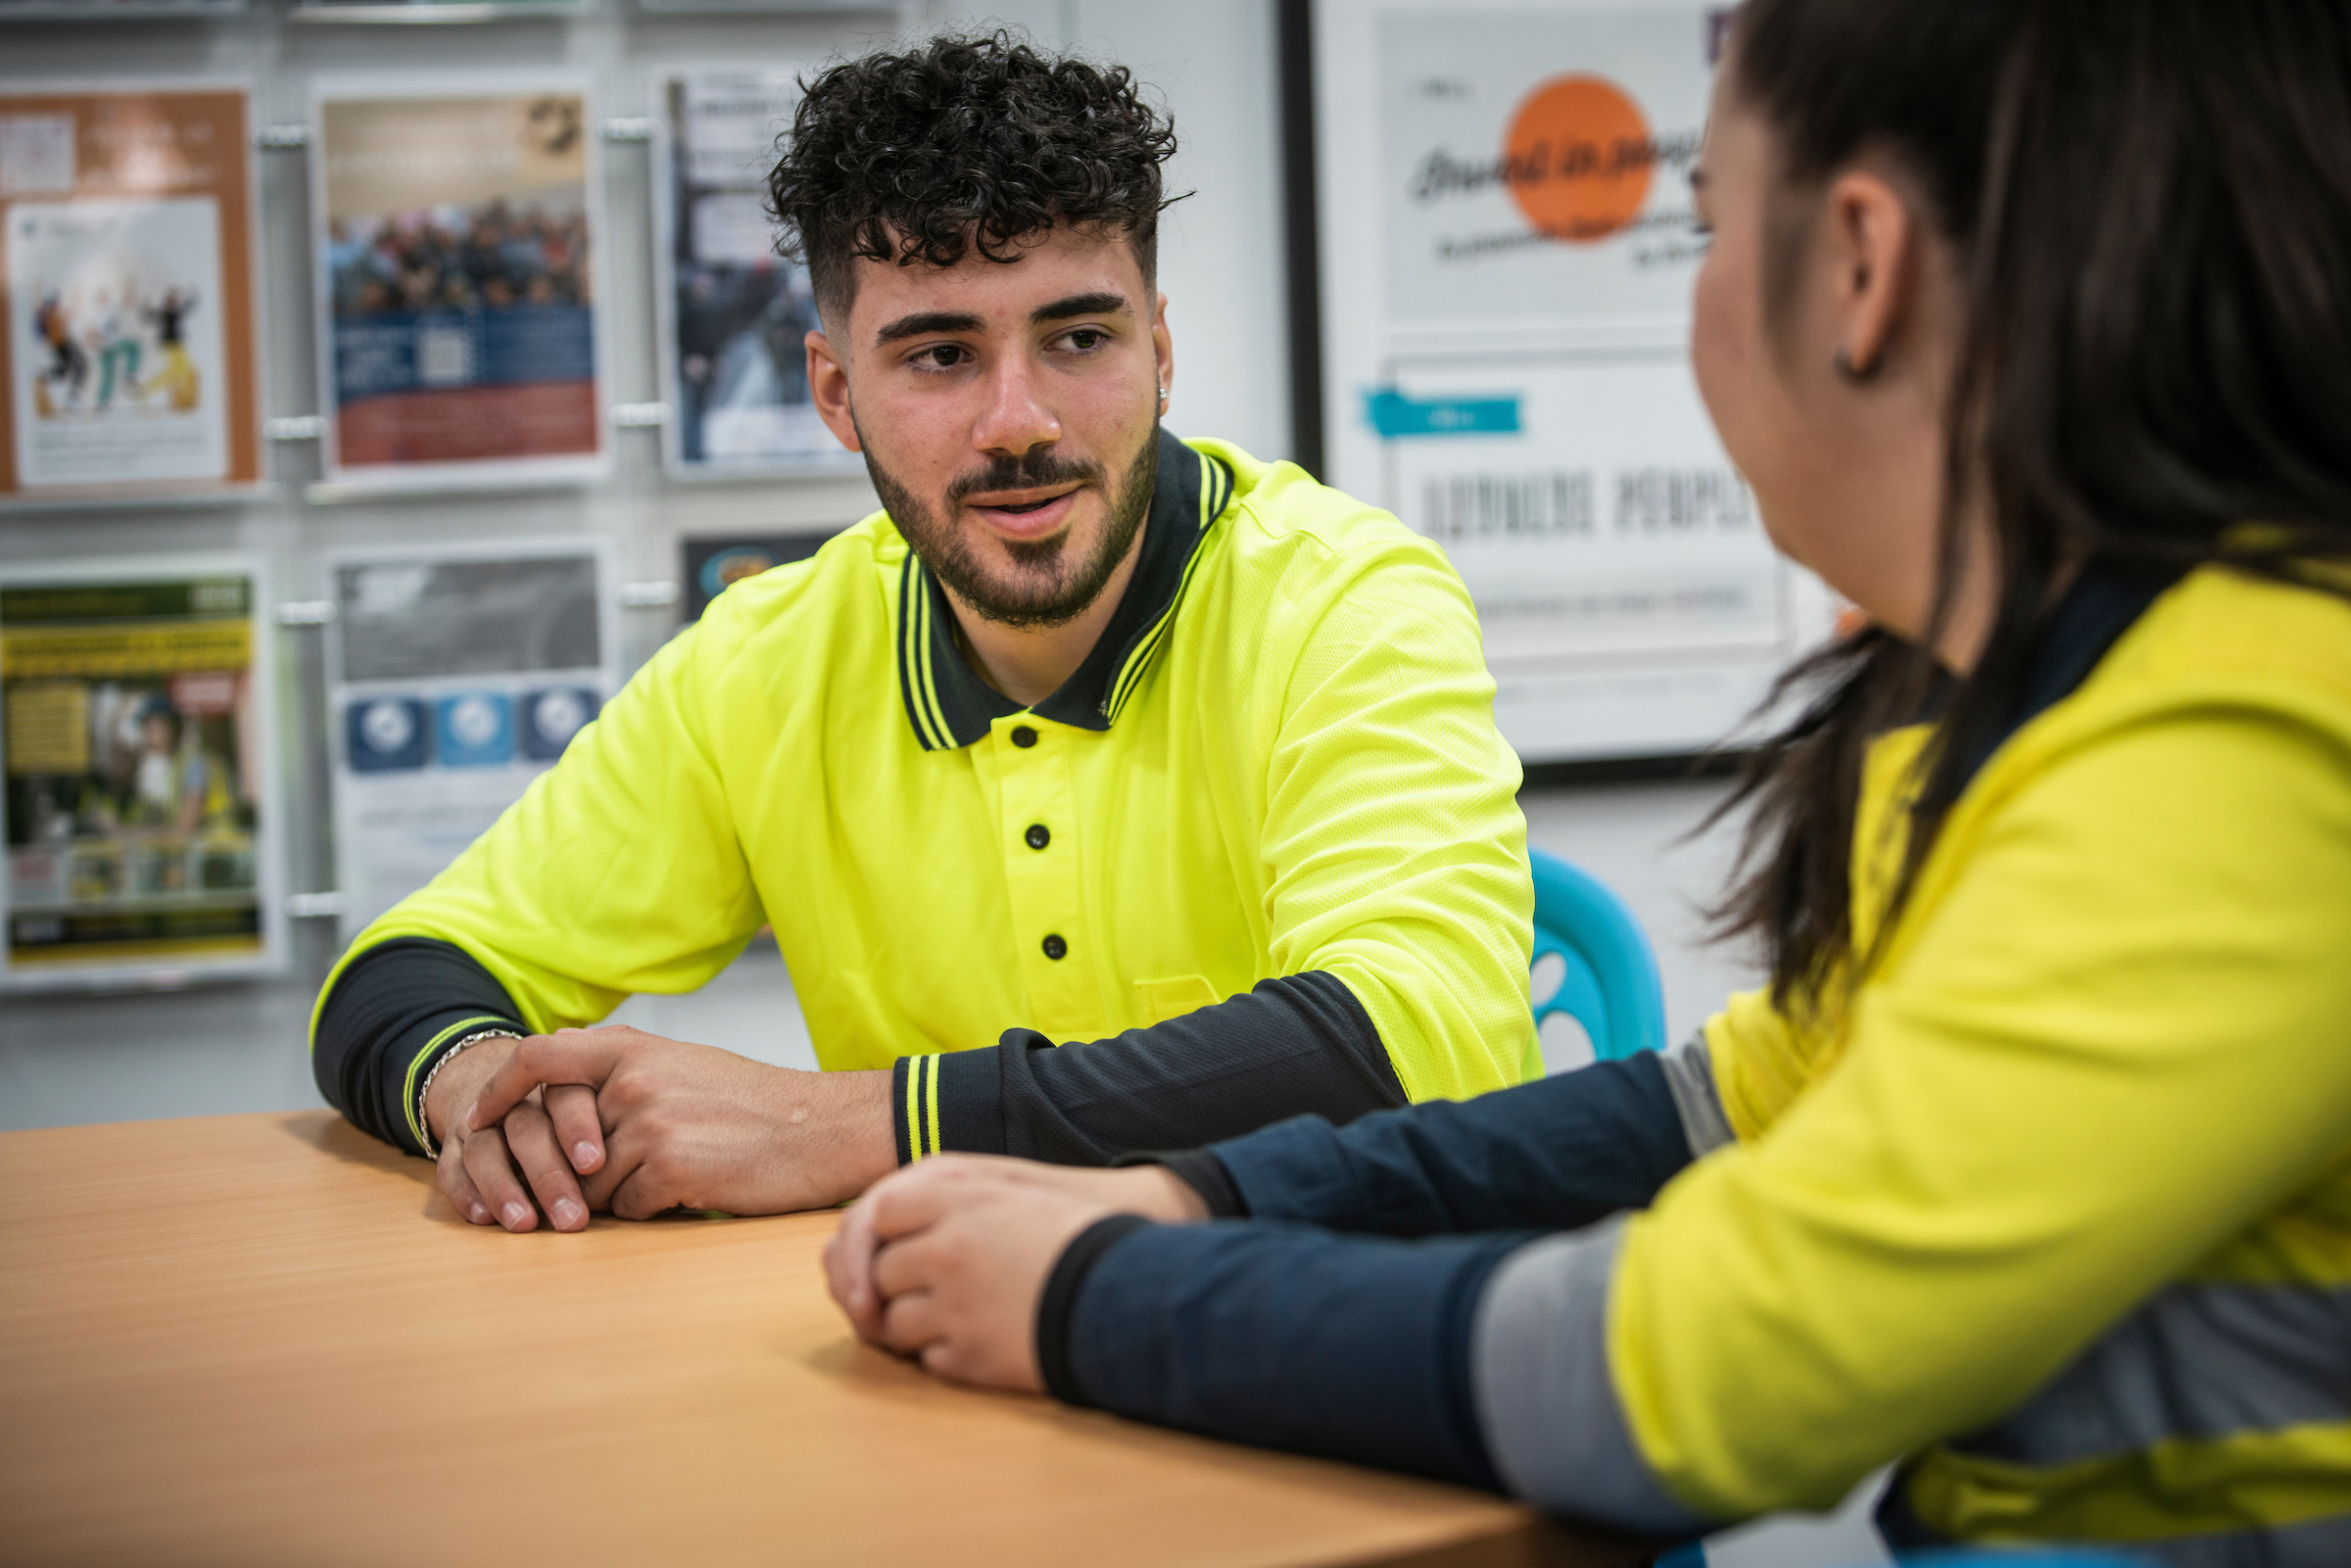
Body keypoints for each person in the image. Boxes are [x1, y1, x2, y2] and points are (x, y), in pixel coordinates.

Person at [821, 2, 2351, 1563]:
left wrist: (1085, 1296)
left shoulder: (2254, 742)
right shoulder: (2055, 708)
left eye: (1703, 230)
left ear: (1863, 268)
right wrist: (1189, 1204)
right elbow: (1717, 1108)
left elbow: (1718, 1367)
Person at [312, 34, 1534, 1238]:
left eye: (1079, 338)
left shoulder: (1345, 605)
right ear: (836, 393)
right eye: (942, 354)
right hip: (970, 1353)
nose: (1018, 421)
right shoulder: (766, 662)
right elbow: (405, 970)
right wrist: (480, 1087)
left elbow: (1407, 1043)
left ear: (1159, 351)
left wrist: (831, 1126)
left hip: (1340, 1337)